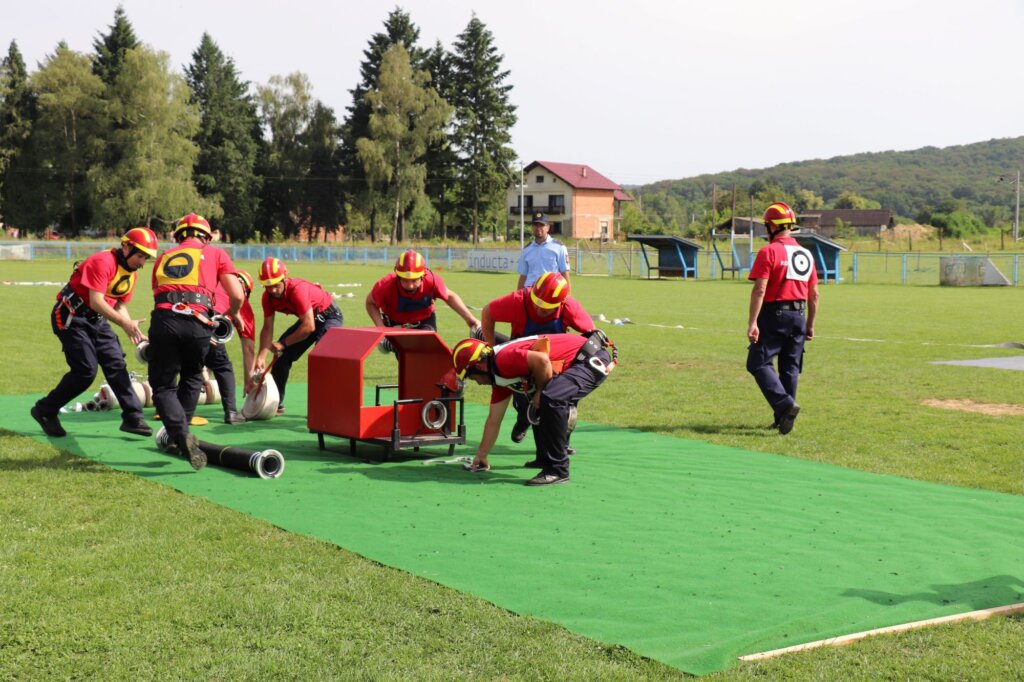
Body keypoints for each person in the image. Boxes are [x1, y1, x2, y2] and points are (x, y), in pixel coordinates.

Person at [31, 228, 160, 438]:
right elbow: (96, 301)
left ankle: (133, 417)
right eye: (140, 255)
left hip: (96, 320)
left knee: (116, 363)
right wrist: (124, 323)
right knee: (85, 372)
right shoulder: (102, 261)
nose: (142, 262)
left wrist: (131, 326)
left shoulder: (130, 274)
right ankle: (45, 410)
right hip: (71, 317)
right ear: (125, 247)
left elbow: (118, 304)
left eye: (146, 258)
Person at [452, 332, 615, 486]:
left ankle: (558, 470)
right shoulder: (499, 376)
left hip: (589, 357)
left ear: (479, 366)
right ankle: (544, 458)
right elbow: (494, 420)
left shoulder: (503, 360)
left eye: (471, 376)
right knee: (540, 400)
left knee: (550, 397)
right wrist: (482, 455)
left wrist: (540, 391)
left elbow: (542, 361)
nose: (477, 382)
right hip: (582, 358)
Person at [149, 213, 245, 469]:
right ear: (207, 237)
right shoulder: (216, 253)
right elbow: (237, 294)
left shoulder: (164, 256)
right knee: (193, 376)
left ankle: (180, 434)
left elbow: (158, 293)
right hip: (199, 321)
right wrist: (232, 313)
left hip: (165, 318)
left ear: (178, 236)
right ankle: (183, 434)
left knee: (163, 385)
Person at [480, 272, 595, 445]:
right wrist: (489, 348)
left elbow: (592, 336)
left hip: (556, 363)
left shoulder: (569, 307)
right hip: (523, 361)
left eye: (547, 308)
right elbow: (488, 312)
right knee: (524, 401)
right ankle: (523, 419)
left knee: (561, 402)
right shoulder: (518, 300)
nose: (539, 310)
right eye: (536, 303)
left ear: (561, 303)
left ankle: (562, 443)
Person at [746, 201, 820, 435]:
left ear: (772, 226)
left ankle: (785, 405)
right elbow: (814, 294)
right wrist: (810, 324)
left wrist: (752, 322)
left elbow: (760, 289)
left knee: (757, 362)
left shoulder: (768, 251)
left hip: (774, 314)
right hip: (799, 314)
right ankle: (782, 420)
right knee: (790, 368)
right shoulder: (806, 254)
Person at [254, 257, 343, 413]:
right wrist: (261, 356)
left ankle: (325, 409)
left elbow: (308, 327)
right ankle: (275, 402)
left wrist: (283, 344)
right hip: (309, 319)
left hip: (329, 317)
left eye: (275, 285)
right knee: (281, 357)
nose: (272, 290)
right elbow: (267, 328)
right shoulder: (267, 298)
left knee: (321, 359)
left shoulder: (297, 290)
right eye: (267, 286)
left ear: (284, 278)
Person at [365, 249, 480, 350]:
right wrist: (382, 329)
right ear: (398, 276)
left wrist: (471, 321)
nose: (410, 286)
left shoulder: (432, 281)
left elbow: (450, 296)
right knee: (406, 354)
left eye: (414, 280)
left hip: (425, 321)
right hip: (396, 323)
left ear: (423, 275)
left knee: (426, 346)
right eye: (405, 280)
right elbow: (370, 303)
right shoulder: (386, 284)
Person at [204, 269, 256, 424]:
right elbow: (248, 348)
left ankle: (166, 409)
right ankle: (231, 413)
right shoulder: (242, 301)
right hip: (213, 323)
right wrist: (249, 381)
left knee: (186, 362)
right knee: (223, 367)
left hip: (189, 318)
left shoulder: (213, 284)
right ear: (245, 289)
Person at [516, 212, 569, 289]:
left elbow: (564, 272)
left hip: (551, 291)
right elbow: (523, 276)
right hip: (530, 291)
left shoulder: (559, 247)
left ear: (548, 227)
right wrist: (519, 295)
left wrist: (567, 294)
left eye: (541, 225)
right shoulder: (527, 249)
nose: (538, 228)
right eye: (535, 225)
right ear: (532, 227)